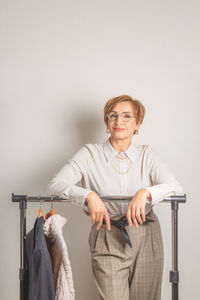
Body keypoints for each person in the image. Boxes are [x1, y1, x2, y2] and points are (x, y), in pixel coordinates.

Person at [46, 95, 183, 300]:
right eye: (114, 115)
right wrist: (88, 196)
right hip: (107, 233)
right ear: (107, 122)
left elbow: (176, 188)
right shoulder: (90, 154)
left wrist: (145, 193)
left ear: (137, 124)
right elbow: (55, 185)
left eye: (127, 116)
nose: (119, 121)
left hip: (146, 235)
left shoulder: (148, 155)